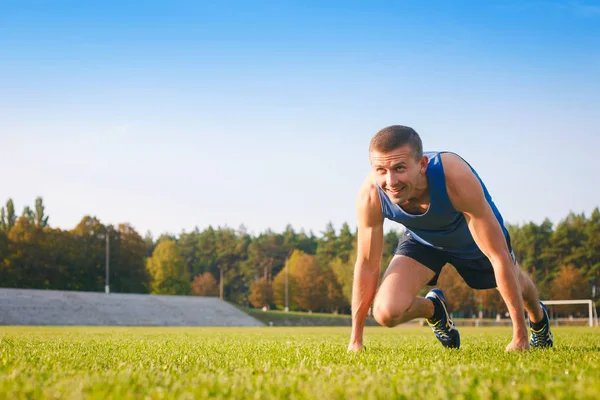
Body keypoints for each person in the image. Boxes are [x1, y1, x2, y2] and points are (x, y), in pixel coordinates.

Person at [348, 125, 553, 352]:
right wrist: (356, 339)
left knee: (515, 278)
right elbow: (367, 264)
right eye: (381, 170)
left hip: (470, 237)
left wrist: (519, 336)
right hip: (423, 241)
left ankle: (538, 319)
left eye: (399, 168)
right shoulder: (371, 195)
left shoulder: (454, 177)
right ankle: (434, 309)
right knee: (385, 312)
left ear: (422, 164)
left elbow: (498, 256)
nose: (391, 181)